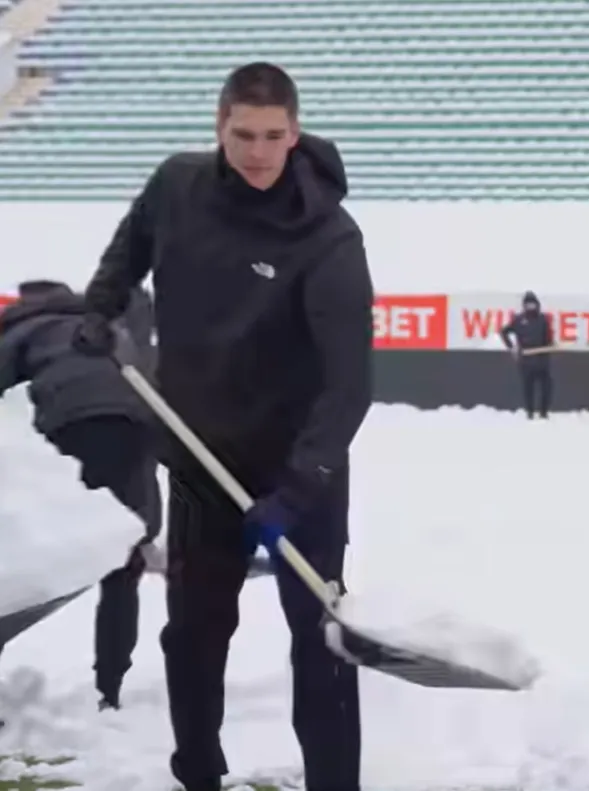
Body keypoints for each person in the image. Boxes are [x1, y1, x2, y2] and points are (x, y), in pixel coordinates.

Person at [71, 61, 374, 791]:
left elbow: (349, 386)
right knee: (194, 638)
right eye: (243, 134)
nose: (258, 152)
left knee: (322, 642)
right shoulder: (177, 187)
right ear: (219, 128)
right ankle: (198, 772)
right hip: (203, 462)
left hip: (300, 473)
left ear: (295, 133)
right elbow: (131, 245)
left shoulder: (329, 238)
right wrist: (102, 304)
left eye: (274, 136)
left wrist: (298, 491)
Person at [0, 279, 162, 711]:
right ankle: (109, 690)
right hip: (136, 428)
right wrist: (145, 530)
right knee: (124, 562)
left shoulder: (20, 330)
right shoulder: (117, 333)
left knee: (23, 564)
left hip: (65, 431)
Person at [500, 291, 554, 419]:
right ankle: (530, 412)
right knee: (528, 389)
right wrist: (511, 347)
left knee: (547, 387)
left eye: (533, 305)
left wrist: (550, 345)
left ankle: (543, 412)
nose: (531, 307)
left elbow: (548, 338)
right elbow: (504, 332)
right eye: (528, 305)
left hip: (542, 361)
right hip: (525, 361)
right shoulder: (518, 320)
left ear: (537, 305)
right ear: (524, 306)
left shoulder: (543, 319)